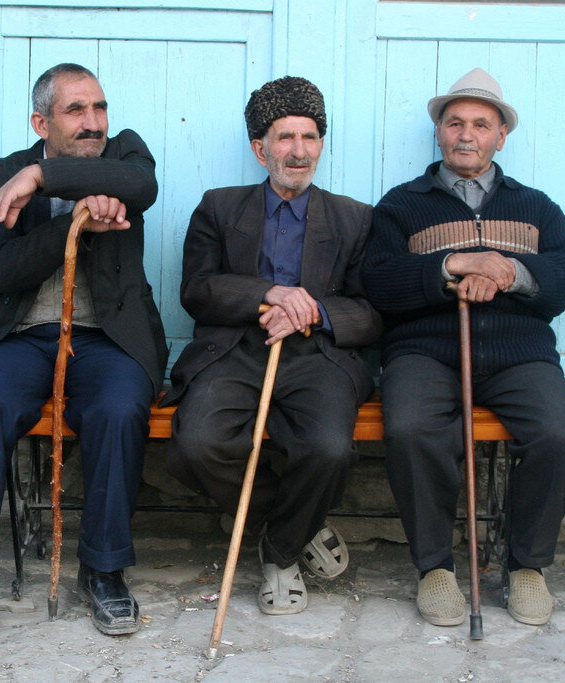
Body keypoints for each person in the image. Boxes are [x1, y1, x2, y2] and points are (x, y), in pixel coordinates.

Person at [0, 63, 167, 645]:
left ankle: (103, 570)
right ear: (41, 122)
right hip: (20, 335)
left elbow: (141, 188)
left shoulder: (126, 157)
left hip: (107, 339)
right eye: (76, 110)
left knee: (119, 408)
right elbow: (4, 269)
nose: (93, 122)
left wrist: (40, 176)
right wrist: (74, 221)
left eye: (99, 107)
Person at [362, 67, 565, 627]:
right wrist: (452, 266)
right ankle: (435, 568)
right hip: (426, 351)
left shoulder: (536, 206)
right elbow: (378, 280)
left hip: (520, 352)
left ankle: (526, 565)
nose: (467, 135)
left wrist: (510, 272)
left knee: (561, 439)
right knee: (411, 431)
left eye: (481, 125)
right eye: (455, 123)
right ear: (439, 132)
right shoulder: (401, 205)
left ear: (501, 137)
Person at [164, 76, 382, 615]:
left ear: (321, 145)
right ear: (261, 150)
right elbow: (197, 290)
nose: (299, 151)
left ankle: (280, 554)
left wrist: (315, 311)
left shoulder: (355, 217)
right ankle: (294, 521)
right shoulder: (219, 208)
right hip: (235, 350)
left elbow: (373, 310)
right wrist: (270, 294)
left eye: (310, 137)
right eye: (285, 138)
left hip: (318, 355)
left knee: (329, 450)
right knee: (197, 445)